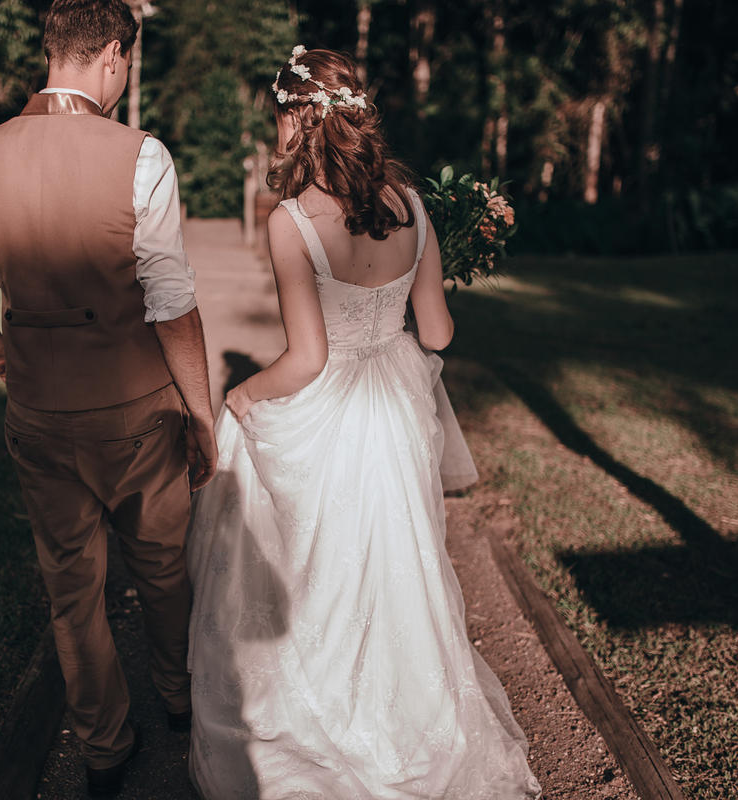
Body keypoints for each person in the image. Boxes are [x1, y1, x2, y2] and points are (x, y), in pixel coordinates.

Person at [186, 47, 541, 799]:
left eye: (279, 116)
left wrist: (242, 396)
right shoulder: (410, 204)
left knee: (319, 571)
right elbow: (438, 334)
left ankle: (323, 716)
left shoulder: (291, 221)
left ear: (300, 118)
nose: (275, 130)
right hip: (399, 405)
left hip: (330, 412)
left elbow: (307, 359)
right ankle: (413, 715)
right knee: (400, 563)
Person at [0, 0, 218, 795]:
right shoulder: (141, 155)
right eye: (125, 63)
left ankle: (103, 744)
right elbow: (172, 304)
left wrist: (2, 352)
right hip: (136, 414)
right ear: (111, 57)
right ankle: (177, 698)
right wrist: (200, 417)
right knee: (161, 568)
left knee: (72, 587)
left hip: (38, 415)